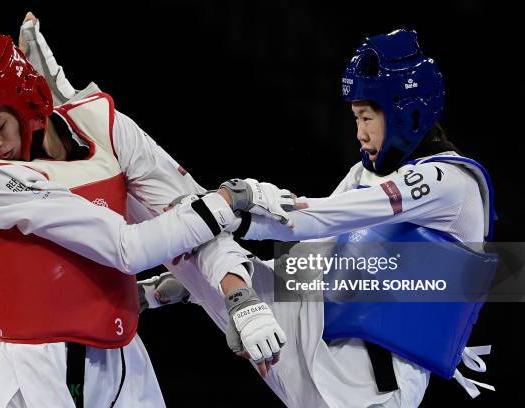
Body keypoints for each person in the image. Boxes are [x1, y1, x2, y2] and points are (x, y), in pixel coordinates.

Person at [0, 16, 291, 408]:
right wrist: (233, 198)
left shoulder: (104, 125)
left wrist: (237, 296)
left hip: (117, 355)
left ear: (25, 98)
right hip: (28, 369)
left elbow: (182, 206)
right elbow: (128, 248)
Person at [152, 29, 497, 407]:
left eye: (366, 117)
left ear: (404, 113)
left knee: (203, 219)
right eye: (355, 118)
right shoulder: (364, 173)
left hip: (373, 385)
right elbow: (309, 256)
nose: (360, 134)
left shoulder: (449, 183)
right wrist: (210, 282)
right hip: (316, 342)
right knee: (187, 216)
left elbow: (318, 218)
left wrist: (243, 208)